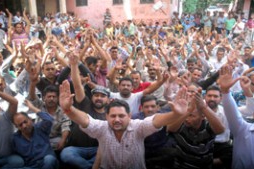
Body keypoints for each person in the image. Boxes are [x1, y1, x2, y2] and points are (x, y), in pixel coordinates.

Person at [59, 79, 189, 169]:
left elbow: (156, 120)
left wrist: (176, 114)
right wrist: (68, 109)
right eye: (113, 116)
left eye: (121, 116)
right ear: (107, 117)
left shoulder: (138, 127)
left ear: (129, 116)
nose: (117, 119)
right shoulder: (102, 128)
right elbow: (85, 119)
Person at [60, 53, 109, 169]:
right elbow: (77, 86)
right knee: (66, 154)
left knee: (106, 155)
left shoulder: (111, 113)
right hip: (77, 149)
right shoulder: (85, 104)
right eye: (96, 95)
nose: (98, 98)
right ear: (91, 97)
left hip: (98, 149)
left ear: (108, 100)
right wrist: (74, 66)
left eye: (102, 96)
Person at [167, 84, 225, 169]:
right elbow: (170, 128)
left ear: (202, 117)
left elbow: (221, 129)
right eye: (186, 115)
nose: (187, 119)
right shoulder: (181, 125)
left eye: (192, 116)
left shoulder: (207, 127)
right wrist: (189, 110)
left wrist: (204, 107)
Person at [217, 65, 254, 168]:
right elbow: (232, 111)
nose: (213, 99)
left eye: (216, 95)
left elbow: (250, 109)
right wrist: (225, 91)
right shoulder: (244, 130)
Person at [12, 100, 59, 169]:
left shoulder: (40, 128)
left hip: (48, 163)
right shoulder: (15, 139)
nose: (24, 126)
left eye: (25, 122)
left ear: (30, 119)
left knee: (49, 159)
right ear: (17, 127)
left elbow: (49, 119)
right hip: (32, 166)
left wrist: (32, 107)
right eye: (20, 125)